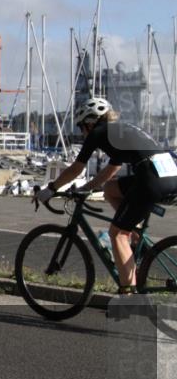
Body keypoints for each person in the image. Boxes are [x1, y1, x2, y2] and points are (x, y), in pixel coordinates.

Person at [37, 98, 177, 294]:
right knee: (111, 189)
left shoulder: (98, 132)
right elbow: (113, 168)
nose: (82, 132)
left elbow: (77, 167)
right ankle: (136, 237)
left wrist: (51, 188)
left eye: (81, 127)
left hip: (151, 178)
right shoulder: (118, 130)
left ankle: (128, 295)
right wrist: (86, 187)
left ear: (90, 121)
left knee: (117, 233)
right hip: (169, 173)